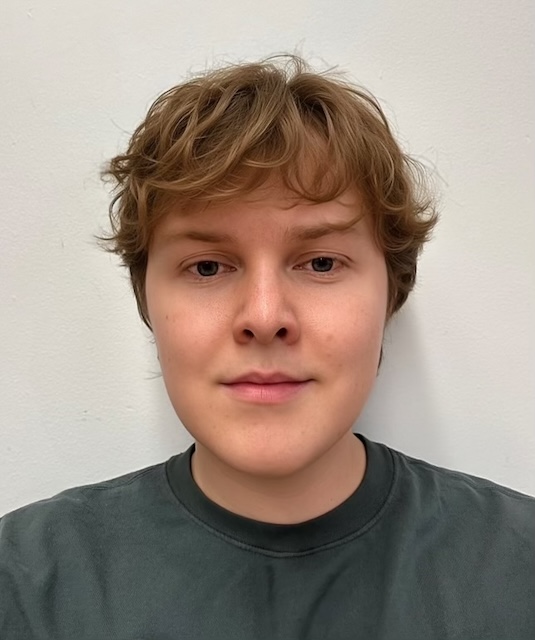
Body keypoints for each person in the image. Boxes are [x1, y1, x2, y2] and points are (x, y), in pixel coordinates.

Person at [1, 55, 533, 639]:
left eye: (321, 262)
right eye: (207, 267)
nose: (263, 317)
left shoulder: (518, 571)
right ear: (146, 301)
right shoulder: (25, 588)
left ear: (391, 294)